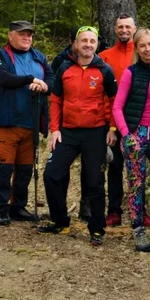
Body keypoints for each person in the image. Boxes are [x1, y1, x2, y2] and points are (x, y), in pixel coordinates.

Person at [39, 26, 118, 245]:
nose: (88, 45)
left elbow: (114, 102)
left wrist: (111, 129)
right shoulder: (64, 67)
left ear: (97, 44)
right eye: (84, 41)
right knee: (52, 174)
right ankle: (60, 222)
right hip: (68, 132)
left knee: (94, 181)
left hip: (95, 133)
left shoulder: (105, 70)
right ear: (76, 43)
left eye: (92, 41)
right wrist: (55, 129)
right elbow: (55, 100)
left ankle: (97, 228)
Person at [111, 28, 150, 252]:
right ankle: (138, 229)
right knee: (137, 182)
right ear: (137, 48)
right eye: (142, 45)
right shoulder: (131, 72)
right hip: (135, 132)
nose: (148, 49)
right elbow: (117, 106)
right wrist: (127, 135)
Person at [0, 20, 50, 226]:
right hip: (7, 122)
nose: (27, 38)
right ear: (10, 35)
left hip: (31, 122)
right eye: (22, 34)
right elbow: (2, 78)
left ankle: (18, 207)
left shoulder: (38, 57)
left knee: (25, 169)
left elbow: (51, 79)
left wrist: (44, 87)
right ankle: (1, 207)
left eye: (30, 35)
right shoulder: (1, 56)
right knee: (4, 168)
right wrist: (29, 80)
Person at [97, 14, 136, 228]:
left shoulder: (141, 53)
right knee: (115, 167)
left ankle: (139, 211)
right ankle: (114, 211)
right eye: (120, 27)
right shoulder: (104, 57)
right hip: (112, 122)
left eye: (127, 27)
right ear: (115, 29)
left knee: (137, 169)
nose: (123, 30)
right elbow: (104, 94)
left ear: (134, 28)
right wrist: (109, 125)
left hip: (137, 120)